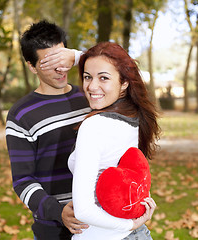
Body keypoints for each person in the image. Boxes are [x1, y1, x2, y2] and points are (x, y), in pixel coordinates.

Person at [5, 20, 91, 240]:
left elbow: (127, 75)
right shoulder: (21, 114)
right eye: (48, 62)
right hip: (53, 229)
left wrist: (82, 58)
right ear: (31, 66)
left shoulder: (91, 96)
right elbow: (23, 181)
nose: (60, 68)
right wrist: (58, 212)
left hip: (100, 219)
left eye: (62, 58)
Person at [67, 42, 160, 240]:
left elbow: (83, 211)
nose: (92, 86)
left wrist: (128, 223)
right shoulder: (133, 117)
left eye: (104, 78)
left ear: (124, 82)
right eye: (87, 77)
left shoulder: (94, 126)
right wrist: (77, 57)